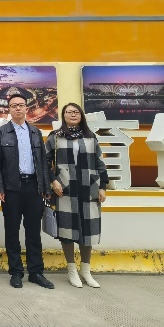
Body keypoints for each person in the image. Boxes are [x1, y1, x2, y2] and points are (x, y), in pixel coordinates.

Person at [0, 94, 54, 289]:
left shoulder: (35, 132)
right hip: (11, 188)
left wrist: (45, 187)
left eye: (21, 105)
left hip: (34, 187)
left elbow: (43, 162)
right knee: (12, 231)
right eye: (13, 106)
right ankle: (16, 272)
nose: (17, 108)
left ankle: (36, 272)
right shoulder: (1, 132)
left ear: (27, 108)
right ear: (8, 109)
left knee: (33, 231)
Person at [46, 102, 109, 288]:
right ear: (63, 116)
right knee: (67, 230)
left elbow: (99, 162)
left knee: (88, 229)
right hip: (65, 189)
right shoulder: (55, 137)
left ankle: (86, 270)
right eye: (69, 112)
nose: (73, 115)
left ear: (81, 116)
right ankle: (71, 270)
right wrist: (53, 181)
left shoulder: (90, 137)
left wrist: (102, 186)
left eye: (76, 112)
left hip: (89, 188)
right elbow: (45, 162)